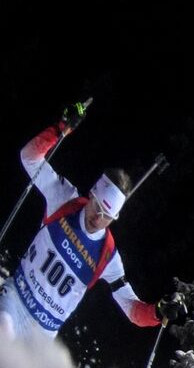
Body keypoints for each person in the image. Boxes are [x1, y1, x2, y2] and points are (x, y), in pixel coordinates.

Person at [0, 112, 184, 341]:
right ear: (91, 195)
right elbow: (29, 157)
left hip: (42, 335)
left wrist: (157, 311)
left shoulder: (107, 255)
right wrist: (58, 130)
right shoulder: (65, 199)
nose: (97, 218)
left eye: (107, 216)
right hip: (15, 300)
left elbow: (131, 309)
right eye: (96, 207)